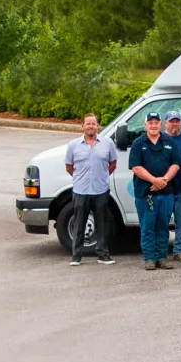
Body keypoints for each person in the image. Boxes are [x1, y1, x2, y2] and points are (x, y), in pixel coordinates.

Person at [62, 113, 119, 266]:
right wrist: (80, 177)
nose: (91, 126)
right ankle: (76, 256)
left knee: (101, 223)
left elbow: (112, 164)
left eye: (93, 124)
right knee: (79, 223)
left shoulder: (107, 143)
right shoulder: (73, 145)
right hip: (81, 191)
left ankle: (103, 254)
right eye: (88, 124)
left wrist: (102, 176)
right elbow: (69, 166)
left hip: (100, 190)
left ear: (97, 125)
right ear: (82, 126)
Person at [127, 112, 179, 270]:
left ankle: (162, 258)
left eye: (156, 122)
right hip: (145, 193)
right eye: (150, 122)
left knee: (163, 226)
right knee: (147, 226)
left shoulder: (169, 141)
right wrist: (154, 180)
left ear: (161, 125)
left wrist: (163, 181)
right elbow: (136, 167)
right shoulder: (138, 143)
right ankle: (149, 258)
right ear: (145, 125)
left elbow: (175, 164)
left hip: (166, 192)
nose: (154, 125)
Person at [161, 111, 181, 262]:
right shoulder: (158, 139)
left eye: (177, 121)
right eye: (171, 121)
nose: (174, 124)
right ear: (165, 123)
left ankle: (180, 251)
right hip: (163, 188)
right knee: (161, 221)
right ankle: (160, 251)